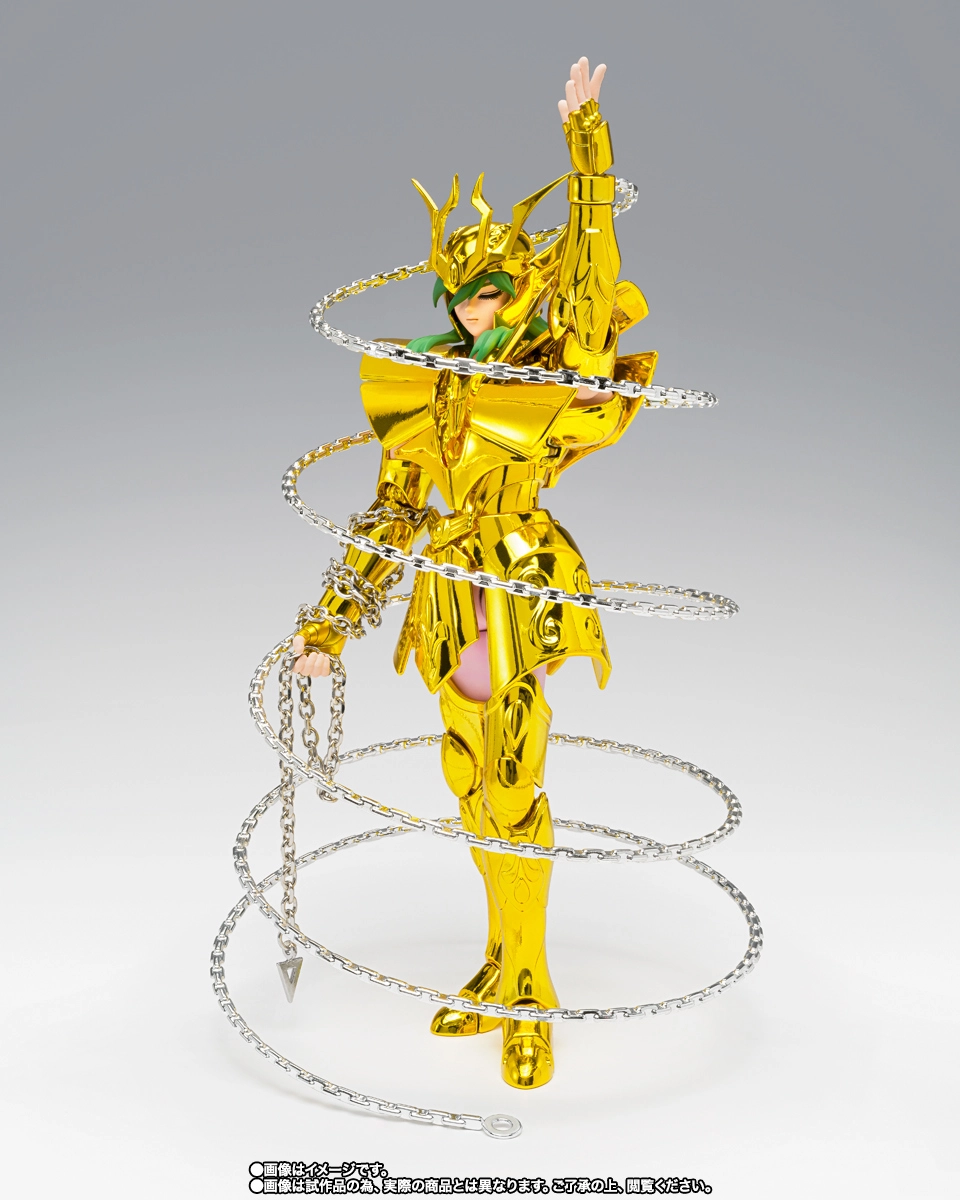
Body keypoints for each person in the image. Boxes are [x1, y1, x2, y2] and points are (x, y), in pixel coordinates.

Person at [291, 58, 657, 1090]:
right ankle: (502, 963)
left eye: (491, 293)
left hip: (520, 574)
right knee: (472, 784)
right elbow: (392, 513)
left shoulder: (547, 367)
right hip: (447, 589)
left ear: (518, 292)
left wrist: (589, 159)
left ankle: (530, 991)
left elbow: (590, 288)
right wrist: (328, 626)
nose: (473, 312)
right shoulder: (424, 385)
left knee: (509, 779)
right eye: (460, 297)